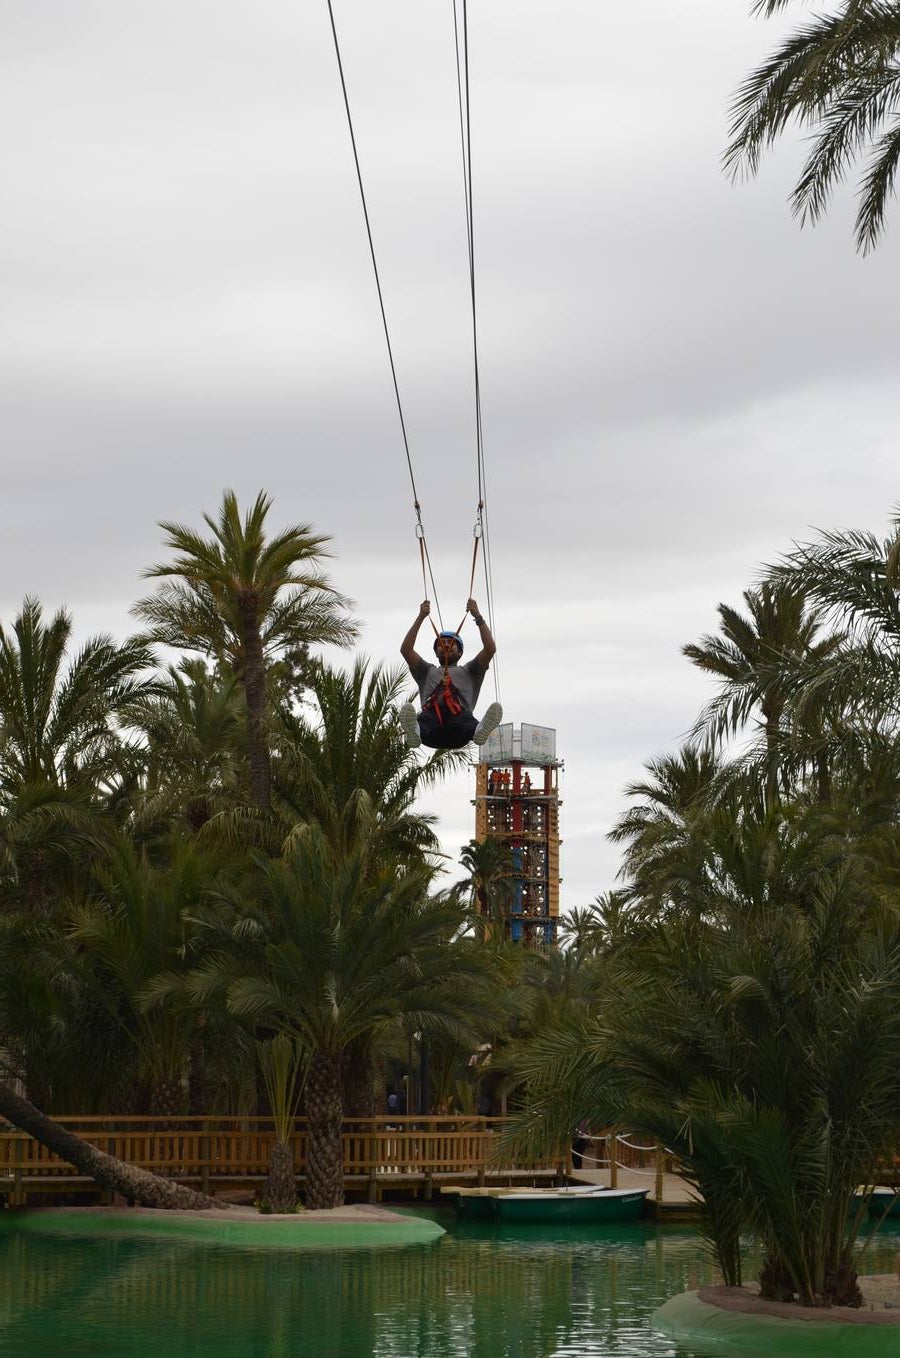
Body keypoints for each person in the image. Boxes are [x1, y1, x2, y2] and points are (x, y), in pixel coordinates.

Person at [399, 597, 503, 750]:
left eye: (451, 642)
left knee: (463, 718)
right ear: (436, 652)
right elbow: (406, 650)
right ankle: (416, 731)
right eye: (441, 644)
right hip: (431, 732)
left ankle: (478, 730)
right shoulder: (426, 672)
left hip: (459, 731)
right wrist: (421, 617)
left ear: (460, 652)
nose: (446, 645)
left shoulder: (470, 671)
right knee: (427, 717)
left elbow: (490, 649)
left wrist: (478, 617)